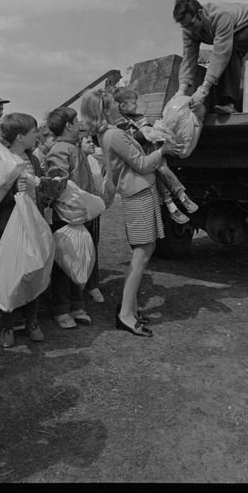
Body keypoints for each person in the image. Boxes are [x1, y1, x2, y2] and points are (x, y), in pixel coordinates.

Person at [80, 89, 179, 338]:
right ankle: (125, 314)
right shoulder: (115, 135)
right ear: (105, 109)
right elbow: (143, 164)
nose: (118, 107)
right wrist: (163, 149)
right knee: (143, 253)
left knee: (142, 252)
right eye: (114, 104)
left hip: (138, 194)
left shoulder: (109, 133)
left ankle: (130, 308)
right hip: (139, 195)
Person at [0, 113, 56, 348]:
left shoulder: (33, 160)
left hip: (31, 226)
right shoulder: (2, 159)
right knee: (8, 275)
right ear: (20, 136)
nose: (38, 135)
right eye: (34, 132)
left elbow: (36, 194)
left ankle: (32, 321)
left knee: (33, 270)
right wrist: (14, 193)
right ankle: (6, 325)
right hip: (5, 227)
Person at [112, 86, 198, 225]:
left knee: (163, 172)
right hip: (144, 157)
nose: (136, 106)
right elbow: (134, 139)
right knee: (159, 175)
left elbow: (148, 129)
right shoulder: (120, 124)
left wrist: (158, 132)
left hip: (153, 151)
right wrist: (146, 133)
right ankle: (175, 206)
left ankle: (180, 200)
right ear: (122, 105)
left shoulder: (139, 118)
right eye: (133, 103)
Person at [44, 107, 96, 329]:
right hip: (65, 215)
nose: (80, 123)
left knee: (79, 258)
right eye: (76, 121)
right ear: (69, 125)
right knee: (64, 263)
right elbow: (57, 181)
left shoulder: (73, 148)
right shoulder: (60, 150)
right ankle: (62, 309)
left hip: (79, 214)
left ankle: (77, 305)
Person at [173, 0, 248, 114]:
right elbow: (188, 60)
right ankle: (218, 103)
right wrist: (181, 91)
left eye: (191, 24)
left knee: (232, 49)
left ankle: (231, 104)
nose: (189, 29)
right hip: (235, 31)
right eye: (184, 26)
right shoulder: (188, 30)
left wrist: (204, 89)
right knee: (220, 61)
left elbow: (221, 52)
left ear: (200, 13)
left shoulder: (220, 15)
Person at [78, 130, 106, 304]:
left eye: (92, 141)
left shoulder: (95, 161)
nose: (91, 144)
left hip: (94, 211)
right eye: (87, 141)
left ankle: (93, 285)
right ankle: (79, 284)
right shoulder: (79, 161)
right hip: (81, 211)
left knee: (93, 246)